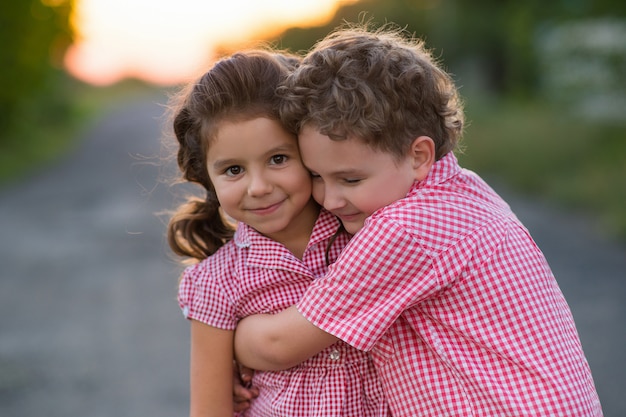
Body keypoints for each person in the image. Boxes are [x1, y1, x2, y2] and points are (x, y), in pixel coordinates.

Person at [233, 24, 604, 416]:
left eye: (351, 179)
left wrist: (226, 339)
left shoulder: (405, 229)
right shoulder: (464, 192)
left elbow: (277, 345)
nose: (331, 199)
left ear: (419, 155)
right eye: (316, 177)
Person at [166, 49, 388, 417]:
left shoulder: (370, 233)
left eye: (278, 159)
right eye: (234, 170)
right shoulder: (215, 284)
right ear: (206, 175)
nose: (258, 187)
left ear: (311, 150)